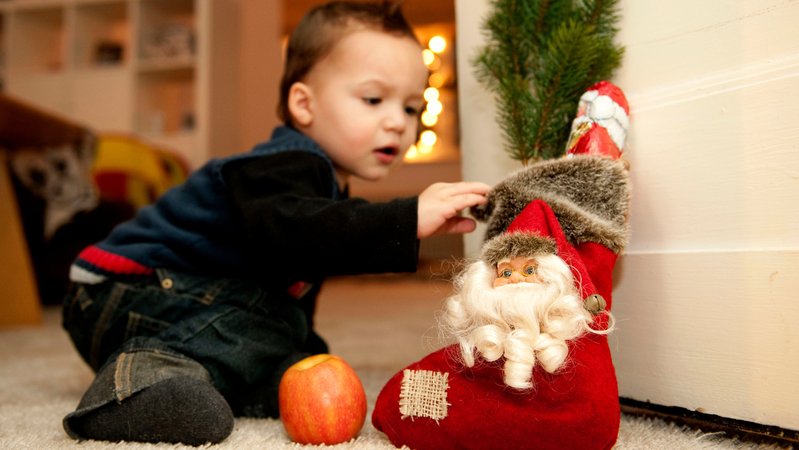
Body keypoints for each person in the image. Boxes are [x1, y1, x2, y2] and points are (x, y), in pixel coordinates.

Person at [60, 1, 490, 446]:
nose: (397, 124)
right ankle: (132, 388)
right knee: (266, 321)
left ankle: (237, 385)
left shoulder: (322, 183)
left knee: (293, 337)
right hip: (120, 290)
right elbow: (298, 235)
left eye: (411, 109)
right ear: (303, 104)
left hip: (179, 299)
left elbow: (301, 272)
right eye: (373, 99)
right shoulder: (278, 167)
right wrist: (405, 217)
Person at [371, 82, 631, 450]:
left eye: (529, 270)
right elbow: (396, 401)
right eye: (506, 272)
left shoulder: (575, 325)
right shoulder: (489, 345)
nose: (516, 281)